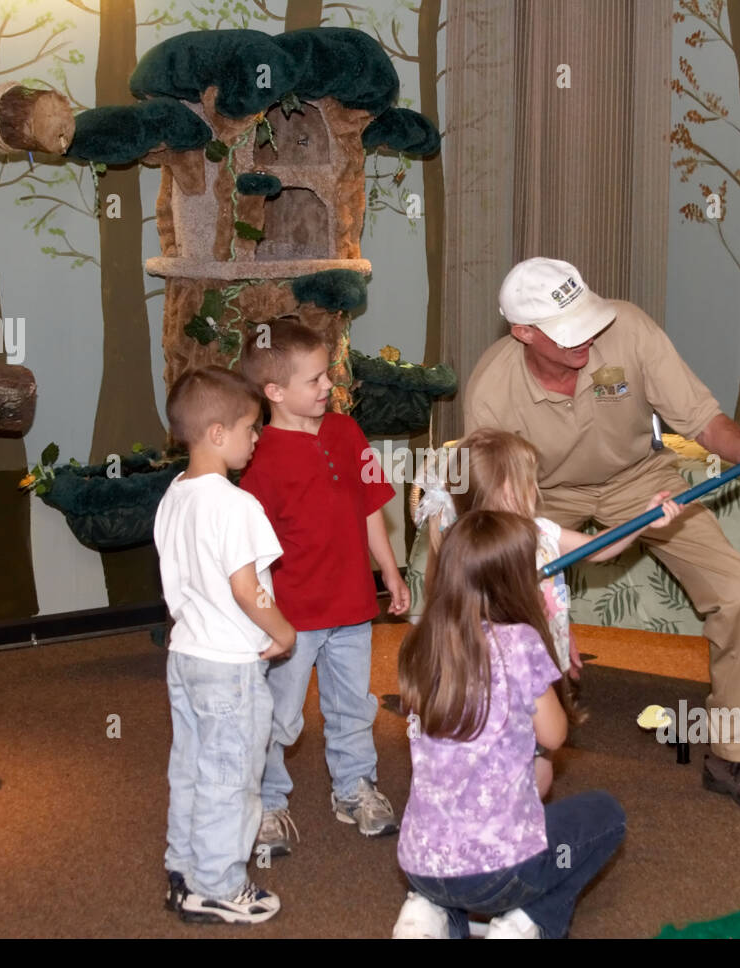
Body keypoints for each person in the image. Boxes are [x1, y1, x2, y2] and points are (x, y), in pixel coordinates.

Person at [464, 257, 740, 812]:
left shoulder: (629, 328)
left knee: (739, 590)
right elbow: (499, 504)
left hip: (641, 479)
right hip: (543, 492)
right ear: (523, 332)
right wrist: (543, 611)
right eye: (566, 331)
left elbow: (700, 416)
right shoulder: (492, 388)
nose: (586, 339)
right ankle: (496, 738)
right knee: (505, 603)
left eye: (586, 320)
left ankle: (733, 754)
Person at [392, 510, 627, 939]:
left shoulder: (422, 642)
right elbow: (554, 735)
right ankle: (525, 923)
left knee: (480, 829)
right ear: (514, 582)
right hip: (501, 873)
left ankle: (429, 911)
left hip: (419, 865)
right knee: (606, 817)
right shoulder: (520, 642)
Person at [416, 427, 681, 797]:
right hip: (496, 671)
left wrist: (643, 521)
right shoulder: (470, 548)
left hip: (537, 664)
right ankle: (504, 824)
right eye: (530, 483)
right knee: (521, 762)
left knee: (536, 765)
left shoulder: (538, 531)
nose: (536, 491)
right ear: (508, 491)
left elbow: (600, 548)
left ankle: (508, 821)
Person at [239, 319, 411, 856]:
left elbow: (368, 506)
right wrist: (266, 619)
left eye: (326, 377)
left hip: (353, 607)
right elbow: (249, 555)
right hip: (292, 620)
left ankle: (354, 788)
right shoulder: (257, 459)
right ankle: (265, 802)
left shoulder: (345, 432)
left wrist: (388, 569)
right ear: (274, 392)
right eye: (314, 381)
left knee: (352, 706)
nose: (327, 389)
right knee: (278, 716)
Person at [154, 366, 295, 925]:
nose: (256, 438)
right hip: (229, 666)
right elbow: (247, 588)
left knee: (190, 767)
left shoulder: (174, 496)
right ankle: (218, 883)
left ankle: (185, 868)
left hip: (185, 655)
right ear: (217, 434)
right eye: (250, 429)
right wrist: (282, 631)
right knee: (232, 778)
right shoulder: (236, 505)